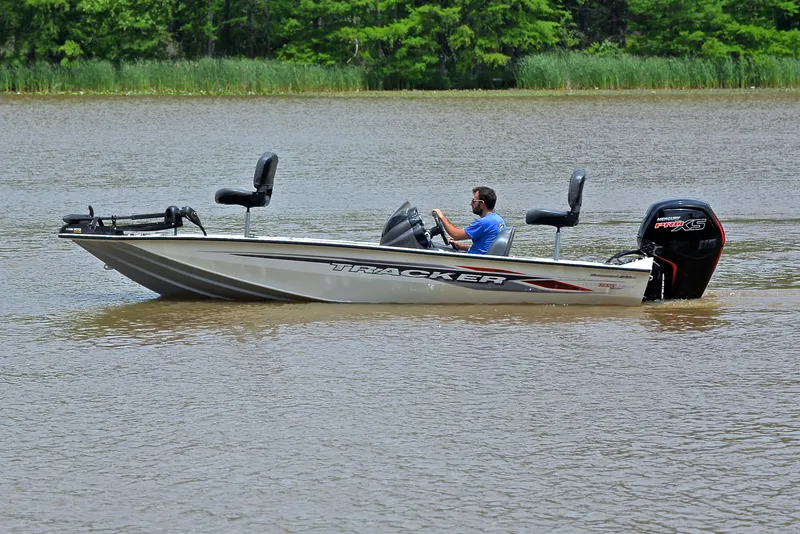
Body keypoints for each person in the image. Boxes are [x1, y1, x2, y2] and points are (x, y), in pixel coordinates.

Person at [432, 186, 506, 254]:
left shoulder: (484, 223)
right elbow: (484, 248)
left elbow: (456, 235)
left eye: (474, 201)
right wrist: (460, 246)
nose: (471, 204)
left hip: (477, 262)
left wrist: (441, 216)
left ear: (482, 204)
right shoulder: (498, 220)